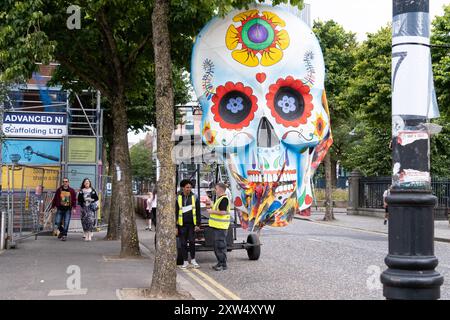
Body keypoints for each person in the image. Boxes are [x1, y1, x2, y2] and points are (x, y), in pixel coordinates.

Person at [176, 179, 201, 269]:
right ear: (183, 188)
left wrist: (198, 224)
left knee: (192, 242)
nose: (189, 189)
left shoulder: (195, 197)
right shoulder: (178, 197)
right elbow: (176, 212)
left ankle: (193, 260)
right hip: (182, 225)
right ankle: (185, 261)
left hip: (191, 224)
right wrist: (175, 226)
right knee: (182, 243)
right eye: (187, 187)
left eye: (190, 187)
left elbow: (198, 211)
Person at [207, 182, 231, 271]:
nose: (215, 190)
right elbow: (218, 209)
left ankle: (223, 264)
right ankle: (220, 263)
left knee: (220, 246)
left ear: (220, 189)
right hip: (218, 226)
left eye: (216, 189)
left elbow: (223, 212)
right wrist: (211, 204)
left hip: (221, 227)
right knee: (217, 246)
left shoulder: (224, 199)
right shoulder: (220, 199)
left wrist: (211, 212)